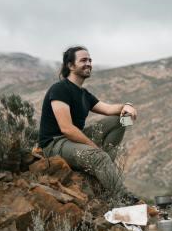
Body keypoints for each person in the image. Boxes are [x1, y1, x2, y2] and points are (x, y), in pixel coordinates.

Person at [38, 45, 141, 204]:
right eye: (83, 60)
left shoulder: (84, 94)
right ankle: (123, 197)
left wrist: (127, 106)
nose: (89, 63)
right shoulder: (60, 89)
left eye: (90, 60)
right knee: (99, 156)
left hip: (73, 141)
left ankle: (102, 163)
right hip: (56, 143)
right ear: (70, 66)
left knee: (120, 119)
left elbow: (108, 109)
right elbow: (66, 128)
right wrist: (93, 147)